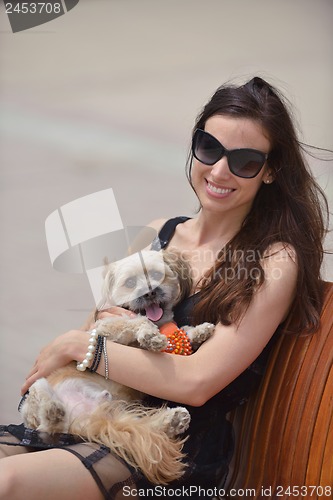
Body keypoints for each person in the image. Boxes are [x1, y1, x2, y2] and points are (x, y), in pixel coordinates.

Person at [0, 76, 329, 499]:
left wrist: (78, 347)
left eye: (245, 161)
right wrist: (81, 349)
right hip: (91, 418)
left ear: (271, 172)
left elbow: (197, 380)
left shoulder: (272, 259)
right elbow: (101, 325)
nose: (219, 170)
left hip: (169, 450)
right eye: (209, 148)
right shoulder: (159, 233)